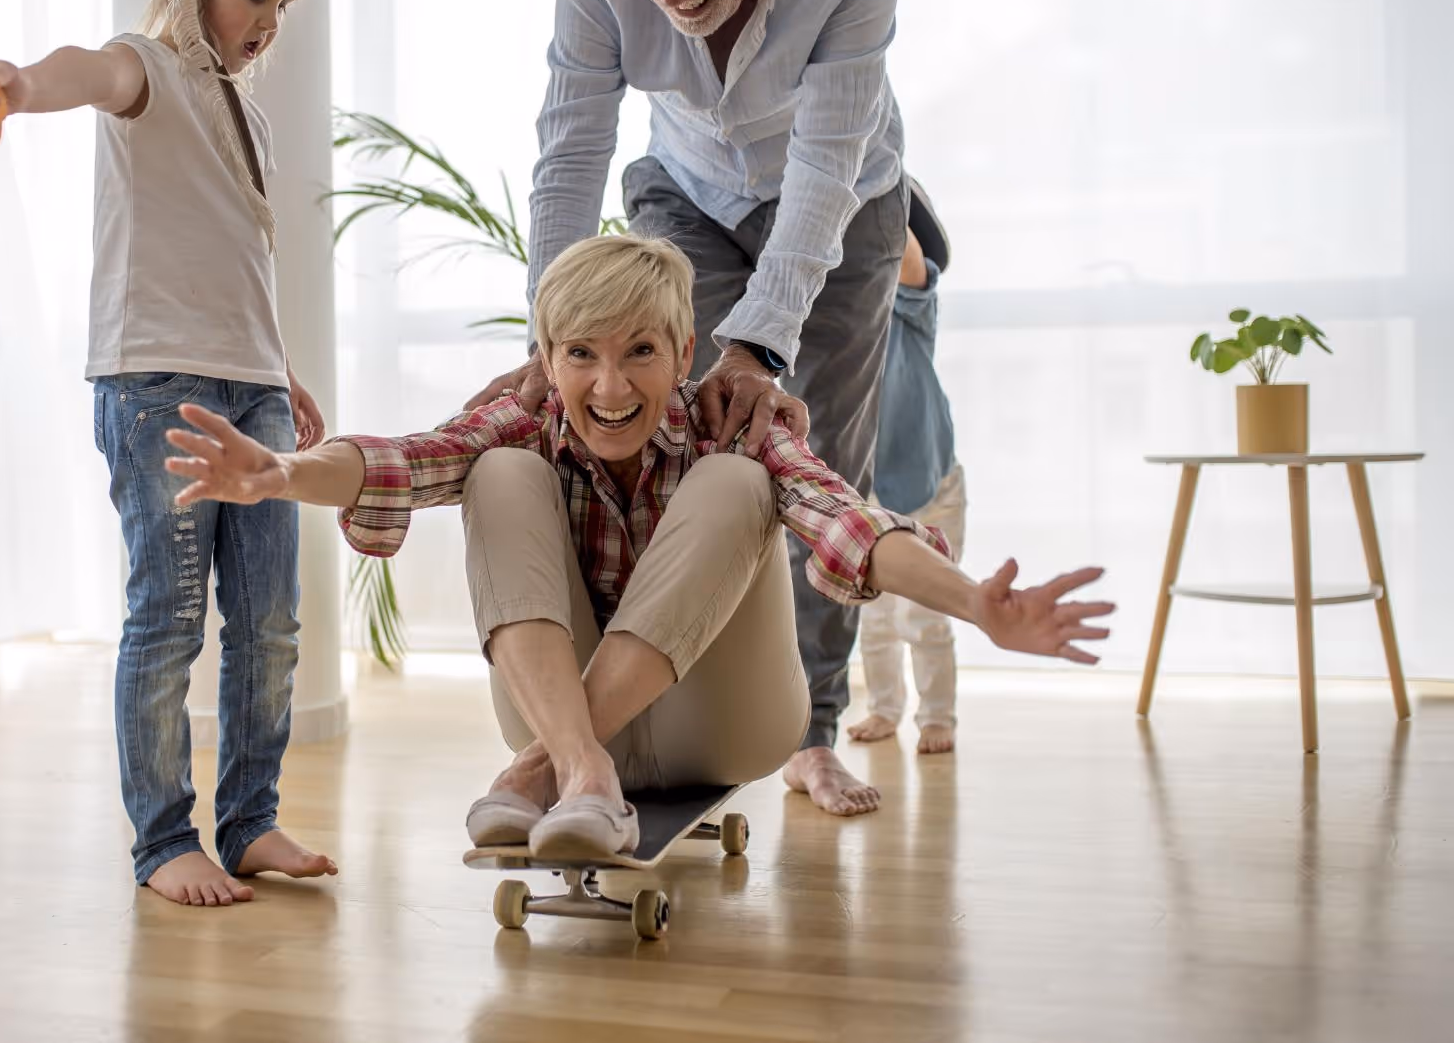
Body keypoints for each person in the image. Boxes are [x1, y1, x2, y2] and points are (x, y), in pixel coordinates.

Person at [168, 235, 1113, 856]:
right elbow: (409, 460)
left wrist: (974, 604)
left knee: (740, 480)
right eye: (581, 354)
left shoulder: (733, 424)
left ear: (686, 350)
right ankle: (583, 767)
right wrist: (283, 474)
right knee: (493, 470)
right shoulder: (526, 416)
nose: (609, 385)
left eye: (640, 353)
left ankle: (542, 770)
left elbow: (845, 522)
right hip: (564, 706)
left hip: (725, 723)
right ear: (546, 360)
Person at [467, 0, 933, 816]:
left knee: (815, 459)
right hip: (685, 191)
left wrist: (759, 351)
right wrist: (554, 337)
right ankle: (627, 724)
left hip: (845, 203)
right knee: (679, 436)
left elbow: (822, 177)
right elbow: (572, 150)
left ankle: (809, 730)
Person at [0, 0, 335, 907]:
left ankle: (252, 818)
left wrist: (282, 370)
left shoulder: (247, 111)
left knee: (268, 616)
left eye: (288, 4)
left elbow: (227, 261)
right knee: (167, 615)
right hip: (157, 386)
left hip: (249, 384)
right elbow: (83, 69)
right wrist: (21, 87)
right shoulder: (147, 68)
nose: (271, 19)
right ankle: (162, 840)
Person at [849, 194, 965, 754]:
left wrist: (876, 183)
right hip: (870, 492)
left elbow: (906, 255)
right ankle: (884, 707)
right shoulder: (842, 320)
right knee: (871, 617)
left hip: (930, 487)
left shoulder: (909, 309)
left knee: (926, 612)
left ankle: (937, 716)